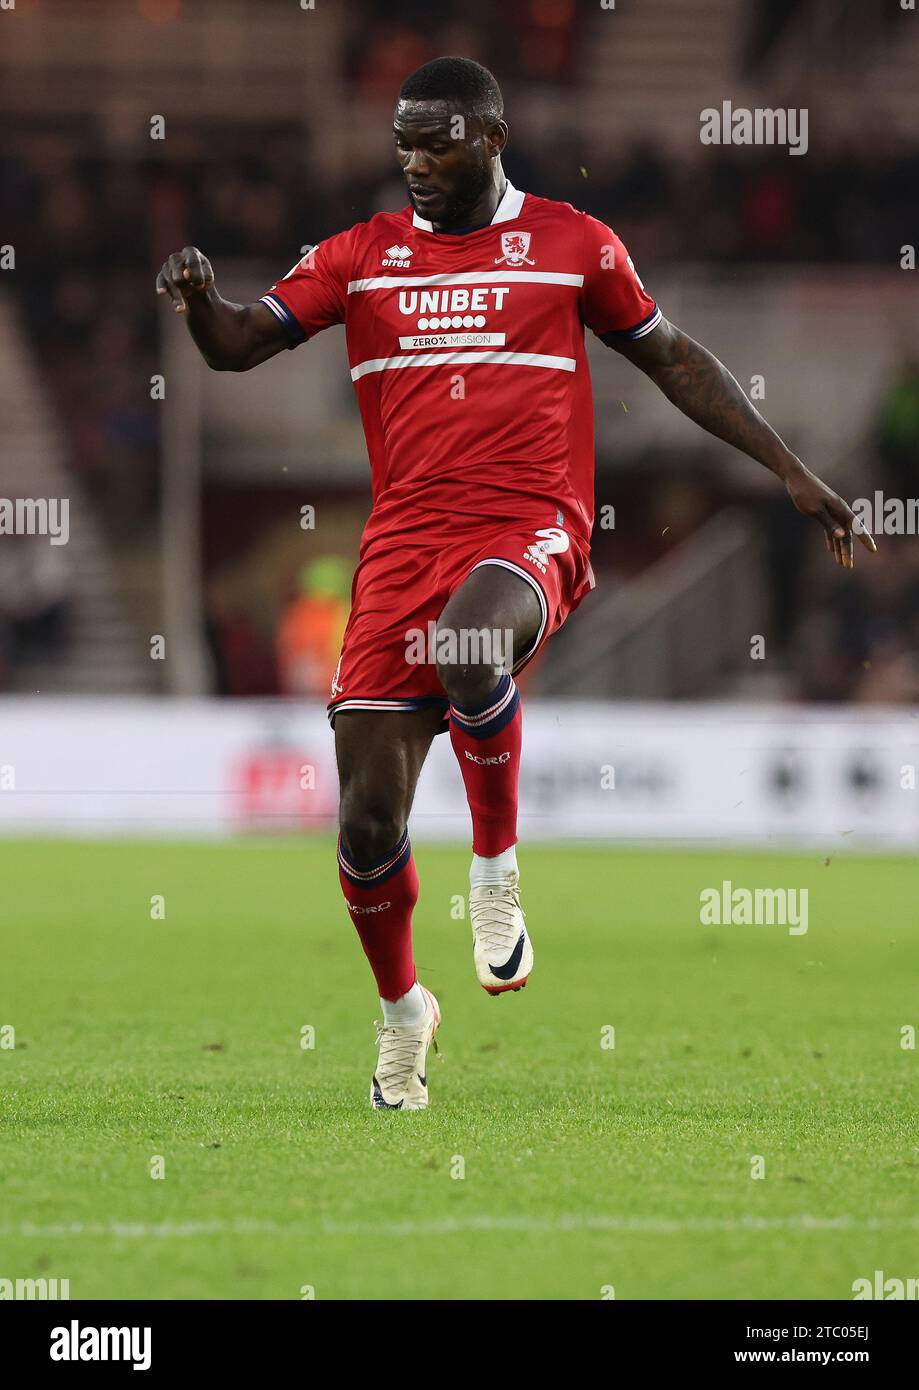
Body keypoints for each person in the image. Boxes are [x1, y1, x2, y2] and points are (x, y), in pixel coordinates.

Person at [157, 56, 875, 1110]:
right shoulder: (359, 256)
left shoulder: (573, 244)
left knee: (469, 645)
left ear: (491, 137)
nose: (413, 161)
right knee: (363, 822)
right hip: (402, 545)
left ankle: (494, 873)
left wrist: (789, 471)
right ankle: (405, 1011)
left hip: (530, 521)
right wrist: (198, 302)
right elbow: (236, 347)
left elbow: (675, 358)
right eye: (401, 141)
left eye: (435, 141)